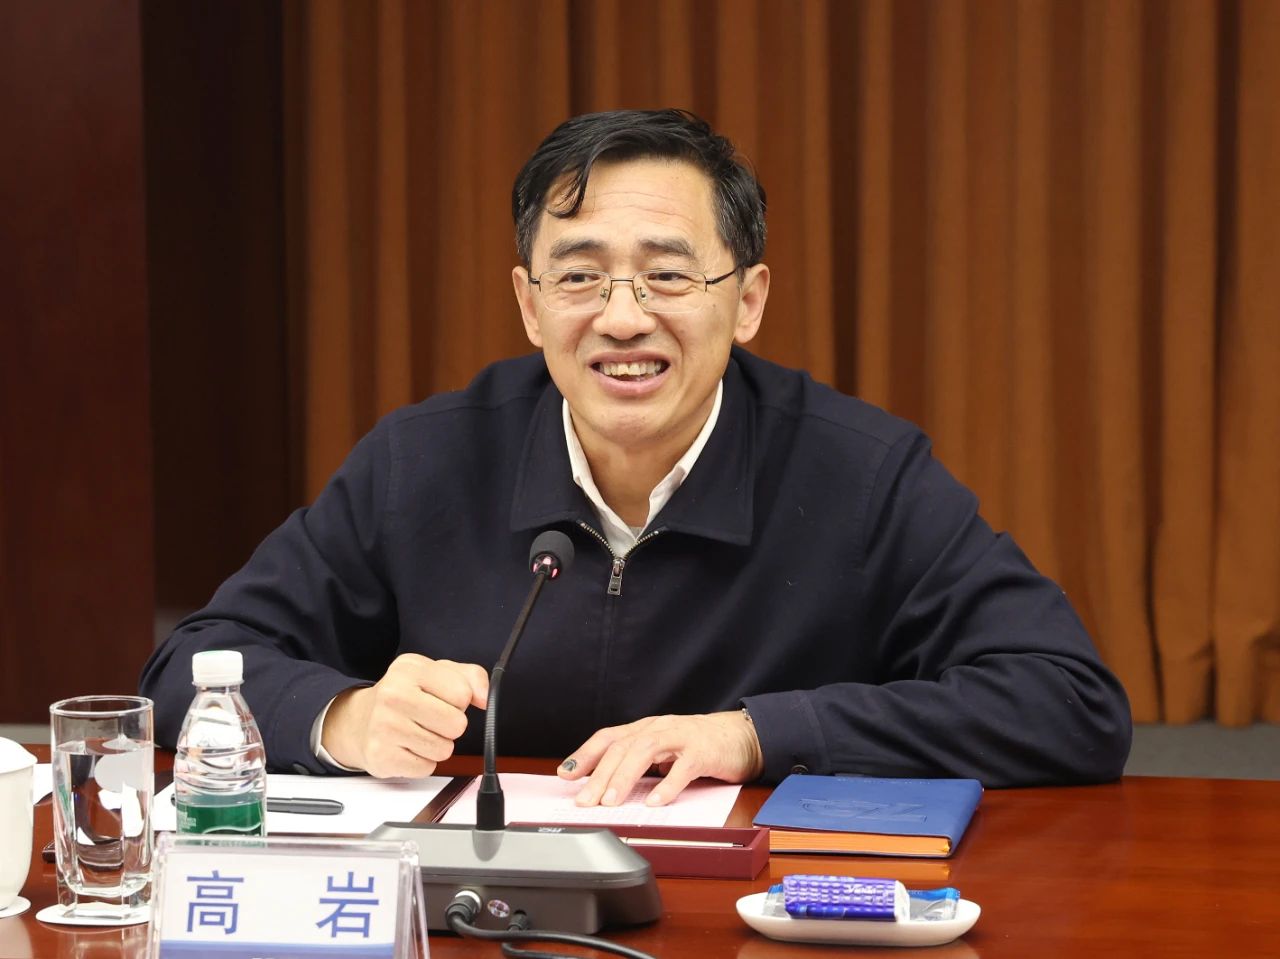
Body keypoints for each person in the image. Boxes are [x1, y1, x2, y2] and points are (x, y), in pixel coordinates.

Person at [141, 108, 1131, 806]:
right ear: (530, 304)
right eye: (580, 277)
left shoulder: (859, 472)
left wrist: (753, 734)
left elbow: (1068, 700)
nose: (622, 317)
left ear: (747, 300)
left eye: (666, 274)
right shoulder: (424, 460)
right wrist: (344, 716)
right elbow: (187, 668)